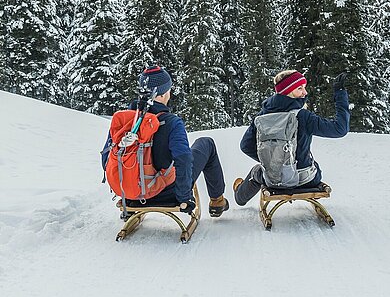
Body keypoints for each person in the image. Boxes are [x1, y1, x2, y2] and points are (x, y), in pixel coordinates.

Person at [102, 65, 229, 217]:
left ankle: (131, 202)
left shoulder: (125, 120)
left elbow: (107, 158)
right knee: (206, 143)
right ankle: (217, 201)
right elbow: (183, 158)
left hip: (128, 193)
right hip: (167, 193)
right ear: (162, 94)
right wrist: (183, 197)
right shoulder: (171, 122)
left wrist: (125, 189)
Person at [233, 70, 350, 205]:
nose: (305, 93)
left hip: (273, 180)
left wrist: (271, 162)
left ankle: (240, 197)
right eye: (299, 88)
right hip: (306, 180)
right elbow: (340, 129)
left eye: (304, 88)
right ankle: (310, 191)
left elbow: (245, 146)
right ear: (287, 91)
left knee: (257, 171)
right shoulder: (303, 116)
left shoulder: (261, 117)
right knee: (313, 165)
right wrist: (340, 93)